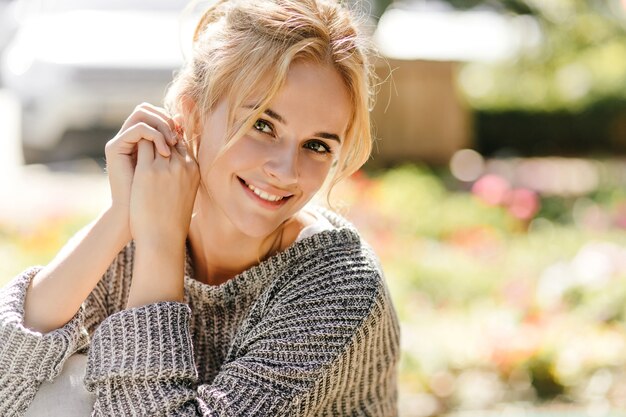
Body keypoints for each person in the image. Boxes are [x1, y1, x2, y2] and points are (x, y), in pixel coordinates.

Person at [0, 0, 400, 415]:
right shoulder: (141, 231)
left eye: (317, 146)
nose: (285, 171)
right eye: (262, 124)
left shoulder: (340, 286)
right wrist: (123, 215)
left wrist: (160, 243)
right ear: (192, 113)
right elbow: (7, 384)